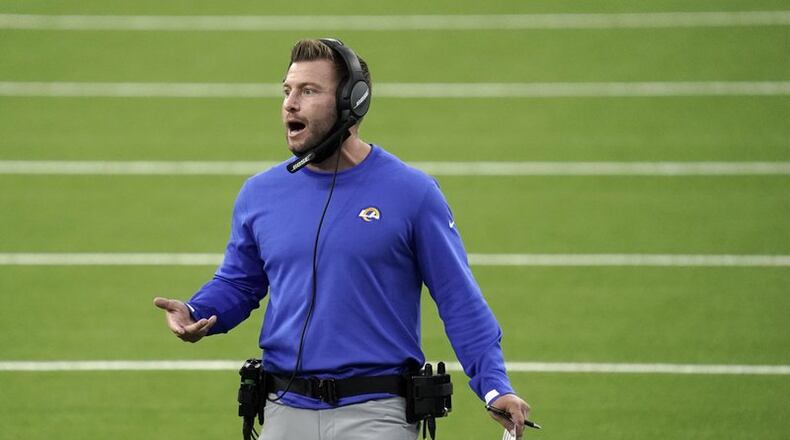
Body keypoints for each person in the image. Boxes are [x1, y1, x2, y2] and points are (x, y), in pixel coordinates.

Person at [154, 38, 532, 440]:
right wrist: (198, 310)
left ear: (353, 102)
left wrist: (494, 385)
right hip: (283, 410)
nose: (290, 104)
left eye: (308, 91)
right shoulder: (259, 193)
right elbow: (240, 281)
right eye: (287, 91)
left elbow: (459, 299)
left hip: (377, 414)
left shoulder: (412, 194)